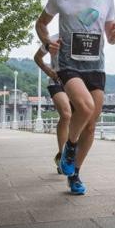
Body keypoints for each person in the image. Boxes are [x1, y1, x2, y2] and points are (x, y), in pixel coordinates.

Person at [36, 0, 115, 195]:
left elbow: (111, 35)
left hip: (96, 66)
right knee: (85, 108)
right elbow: (41, 23)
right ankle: (69, 148)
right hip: (68, 64)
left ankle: (74, 174)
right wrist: (46, 43)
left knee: (91, 127)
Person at [33, 33, 72, 174]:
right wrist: (50, 72)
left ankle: (69, 153)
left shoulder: (83, 35)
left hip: (77, 82)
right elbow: (37, 57)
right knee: (66, 115)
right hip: (57, 81)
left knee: (77, 118)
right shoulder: (53, 39)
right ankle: (63, 156)